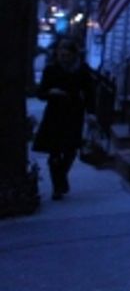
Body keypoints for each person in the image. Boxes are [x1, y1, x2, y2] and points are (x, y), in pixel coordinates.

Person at [32, 38, 94, 200]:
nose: (63, 58)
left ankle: (61, 178)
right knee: (54, 153)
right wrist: (52, 92)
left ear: (74, 55)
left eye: (66, 55)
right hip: (54, 114)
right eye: (61, 54)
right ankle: (57, 188)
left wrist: (91, 112)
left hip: (74, 114)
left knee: (70, 151)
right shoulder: (51, 70)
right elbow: (40, 93)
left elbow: (90, 93)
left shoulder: (82, 70)